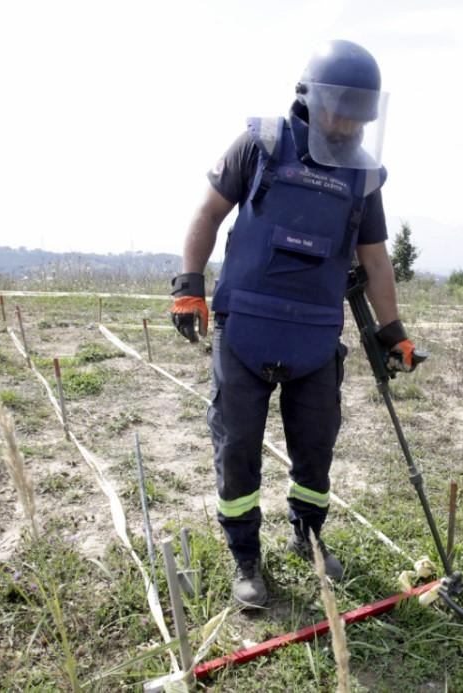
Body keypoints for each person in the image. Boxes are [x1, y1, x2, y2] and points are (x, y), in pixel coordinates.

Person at [169, 39, 419, 607]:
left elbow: (376, 259)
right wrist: (188, 286)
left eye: (360, 110)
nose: (348, 119)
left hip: (315, 338)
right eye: (339, 104)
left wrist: (393, 330)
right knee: (237, 449)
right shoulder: (260, 144)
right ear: (309, 97)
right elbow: (208, 213)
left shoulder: (362, 177)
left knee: (316, 450)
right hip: (245, 332)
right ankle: (245, 559)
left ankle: (307, 533)